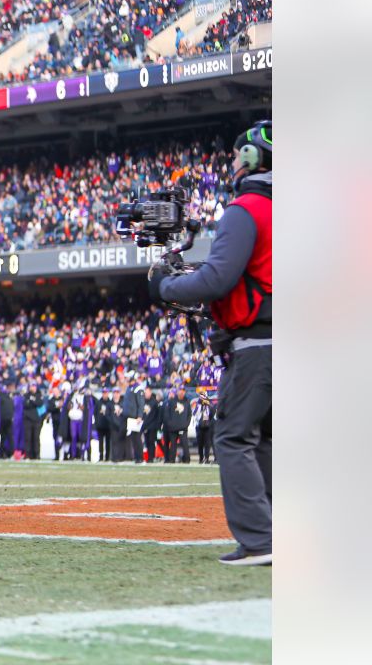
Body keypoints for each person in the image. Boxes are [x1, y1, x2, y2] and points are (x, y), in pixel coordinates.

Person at [150, 120, 272, 566]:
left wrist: (165, 286)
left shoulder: (248, 208)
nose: (235, 163)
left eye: (241, 155)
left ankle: (260, 539)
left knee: (235, 436)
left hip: (257, 345)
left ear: (255, 159)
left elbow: (219, 279)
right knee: (266, 440)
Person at [162, 386, 193, 463]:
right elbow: (167, 414)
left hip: (183, 428)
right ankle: (171, 460)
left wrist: (186, 424)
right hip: (173, 428)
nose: (181, 392)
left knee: (185, 445)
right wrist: (170, 424)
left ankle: (187, 460)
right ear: (177, 391)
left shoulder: (187, 402)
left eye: (183, 391)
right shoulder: (172, 401)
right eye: (180, 390)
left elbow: (189, 414)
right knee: (173, 445)